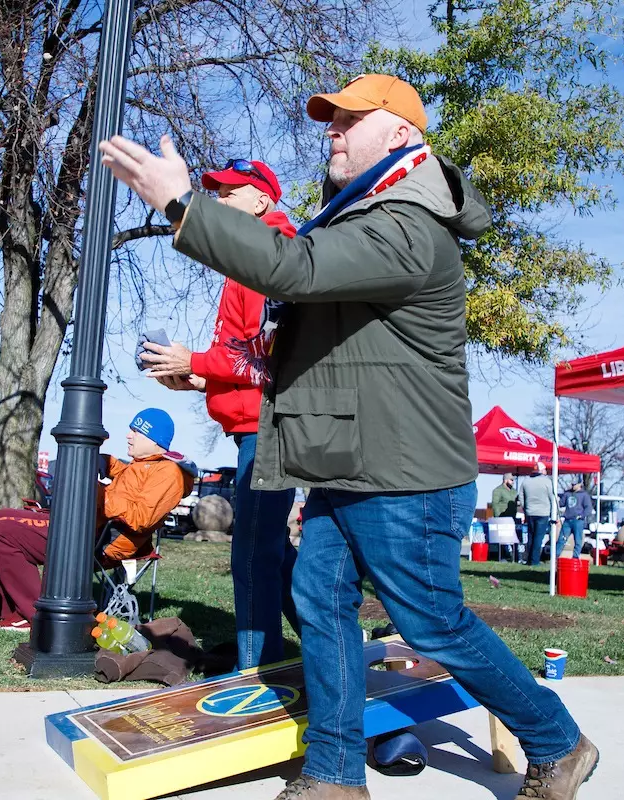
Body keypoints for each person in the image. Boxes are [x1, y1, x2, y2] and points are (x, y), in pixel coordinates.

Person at [99, 74, 597, 800]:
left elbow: (291, 268)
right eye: (328, 121)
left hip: (407, 471)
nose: (330, 131)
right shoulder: (362, 215)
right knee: (321, 598)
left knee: (433, 623)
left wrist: (182, 203)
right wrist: (222, 369)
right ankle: (334, 774)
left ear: (400, 135)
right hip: (353, 460)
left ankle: (558, 741)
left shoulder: (406, 223)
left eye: (347, 120)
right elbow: (328, 340)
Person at [142, 158, 301, 669]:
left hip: (269, 429)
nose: (219, 201)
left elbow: (267, 357)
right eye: (216, 192)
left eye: (230, 193)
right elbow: (250, 364)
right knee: (277, 557)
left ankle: (256, 674)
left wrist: (198, 361)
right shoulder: (252, 258)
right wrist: (201, 377)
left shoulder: (268, 255)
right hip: (259, 426)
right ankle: (331, 650)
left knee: (252, 555)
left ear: (261, 202)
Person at [0, 409, 195, 631]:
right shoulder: (145, 465)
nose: (128, 435)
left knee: (4, 530)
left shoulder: (169, 474)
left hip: (101, 539)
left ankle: (37, 614)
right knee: (1, 516)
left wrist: (97, 492)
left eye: (136, 431)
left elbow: (141, 517)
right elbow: (126, 477)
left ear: (155, 441)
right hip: (91, 527)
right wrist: (101, 462)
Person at [519, 462, 558, 567]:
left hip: (530, 513)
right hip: (543, 513)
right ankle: (535, 561)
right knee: (538, 538)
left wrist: (525, 508)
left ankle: (529, 560)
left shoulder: (526, 481)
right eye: (545, 469)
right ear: (541, 470)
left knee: (530, 537)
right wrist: (554, 513)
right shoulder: (547, 481)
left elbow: (521, 497)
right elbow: (552, 497)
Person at [558, 480, 593, 560]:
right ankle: (555, 557)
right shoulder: (567, 494)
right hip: (567, 521)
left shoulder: (584, 495)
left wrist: (581, 516)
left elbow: (588, 508)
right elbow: (561, 503)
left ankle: (575, 557)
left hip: (578, 521)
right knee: (561, 539)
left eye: (575, 484)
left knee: (578, 541)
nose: (573, 486)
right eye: (572, 484)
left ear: (580, 484)